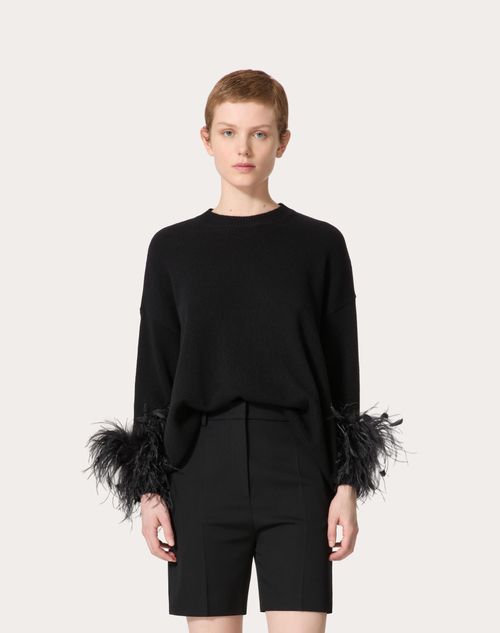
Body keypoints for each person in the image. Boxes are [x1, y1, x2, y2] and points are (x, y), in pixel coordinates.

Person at [85, 69, 404, 633]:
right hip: (200, 469)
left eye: (260, 133)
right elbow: (155, 367)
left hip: (298, 465)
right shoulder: (172, 248)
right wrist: (150, 491)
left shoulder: (320, 244)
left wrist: (347, 485)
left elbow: (342, 369)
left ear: (283, 141)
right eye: (229, 132)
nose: (244, 149)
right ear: (206, 139)